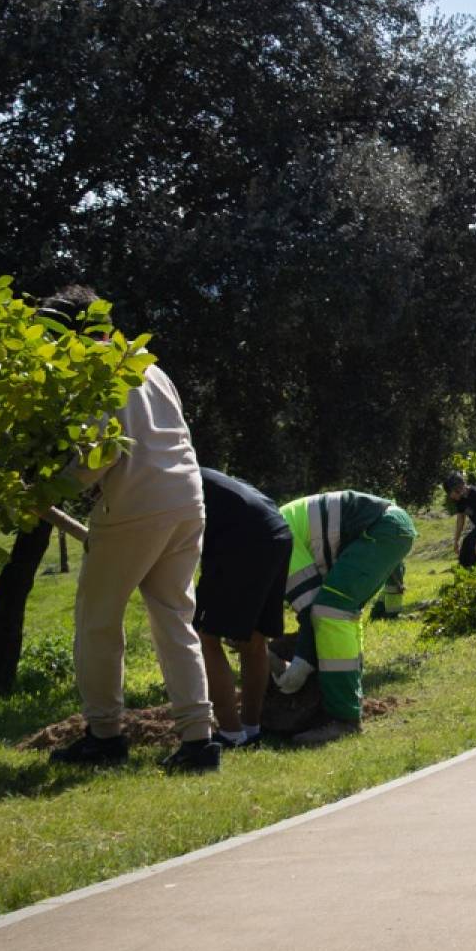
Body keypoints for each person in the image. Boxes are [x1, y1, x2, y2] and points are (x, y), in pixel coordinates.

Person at [38, 285, 220, 773]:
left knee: (97, 622)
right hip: (186, 499)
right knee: (175, 619)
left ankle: (104, 735)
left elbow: (100, 454)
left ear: (71, 331)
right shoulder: (150, 367)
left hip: (135, 504)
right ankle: (199, 740)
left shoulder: (94, 369)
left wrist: (47, 488)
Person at [270, 489, 418, 743]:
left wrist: (298, 670)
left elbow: (309, 611)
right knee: (342, 610)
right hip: (389, 526)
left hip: (383, 529)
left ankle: (344, 719)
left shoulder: (276, 543)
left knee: (331, 611)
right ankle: (350, 692)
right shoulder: (276, 529)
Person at [193, 467, 291, 751]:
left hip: (241, 540)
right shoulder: (202, 473)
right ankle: (251, 730)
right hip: (277, 533)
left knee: (204, 637)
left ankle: (230, 734)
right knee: (254, 638)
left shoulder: (164, 479)